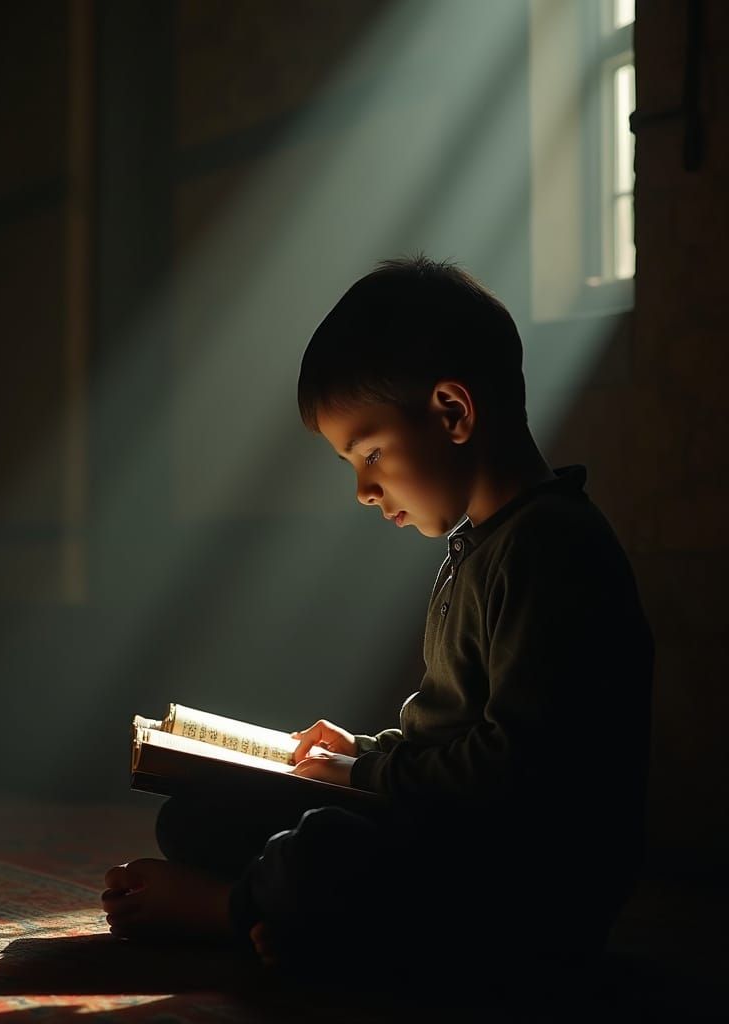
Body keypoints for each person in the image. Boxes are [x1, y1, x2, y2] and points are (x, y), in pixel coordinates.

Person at [100, 255, 654, 988]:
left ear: (452, 413)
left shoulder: (550, 549)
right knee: (198, 818)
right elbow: (453, 738)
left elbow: (516, 773)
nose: (363, 489)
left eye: (369, 454)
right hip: (458, 841)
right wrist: (362, 753)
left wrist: (365, 772)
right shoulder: (479, 546)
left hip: (526, 895)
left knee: (319, 852)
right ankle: (299, 922)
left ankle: (232, 911)